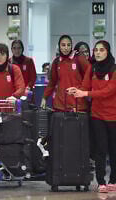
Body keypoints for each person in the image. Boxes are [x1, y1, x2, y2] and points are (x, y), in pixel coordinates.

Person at [67, 40, 116, 193]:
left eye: (102, 50)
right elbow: (85, 86)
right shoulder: (92, 68)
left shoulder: (114, 69)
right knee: (100, 150)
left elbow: (108, 91)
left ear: (107, 52)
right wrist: (77, 90)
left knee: (113, 150)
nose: (98, 53)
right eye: (96, 50)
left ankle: (114, 180)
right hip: (97, 115)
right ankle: (101, 181)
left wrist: (86, 93)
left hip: (113, 116)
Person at [40, 34, 91, 111]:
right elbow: (52, 83)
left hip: (78, 105)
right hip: (60, 105)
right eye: (63, 45)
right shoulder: (56, 62)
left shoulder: (79, 59)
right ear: (59, 46)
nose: (66, 48)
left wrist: (82, 90)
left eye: (68, 45)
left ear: (71, 46)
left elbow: (90, 75)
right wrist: (44, 97)